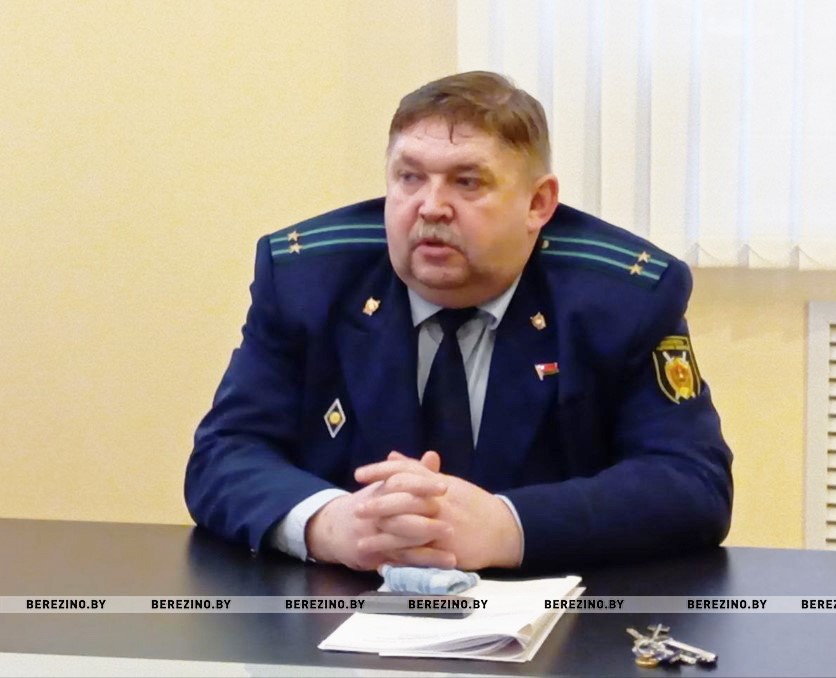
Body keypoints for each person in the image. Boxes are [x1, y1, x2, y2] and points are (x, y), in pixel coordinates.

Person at [185, 71, 733, 572]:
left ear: (538, 204)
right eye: (409, 177)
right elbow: (225, 452)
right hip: (337, 613)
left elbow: (691, 482)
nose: (430, 207)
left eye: (467, 182)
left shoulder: (622, 296)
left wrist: (507, 526)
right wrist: (328, 523)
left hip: (558, 621)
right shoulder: (307, 279)